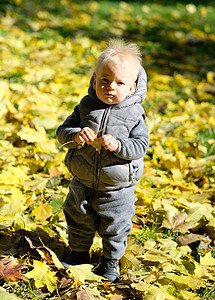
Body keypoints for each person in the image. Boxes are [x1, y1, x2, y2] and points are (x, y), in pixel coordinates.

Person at [56, 40, 149, 282]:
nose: (110, 87)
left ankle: (111, 260)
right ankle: (78, 253)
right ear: (94, 80)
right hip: (82, 180)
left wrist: (118, 145)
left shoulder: (134, 114)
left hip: (117, 187)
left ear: (132, 87)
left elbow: (141, 145)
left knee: (115, 225)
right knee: (77, 217)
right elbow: (62, 132)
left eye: (119, 82)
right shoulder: (86, 107)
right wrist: (76, 135)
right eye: (105, 80)